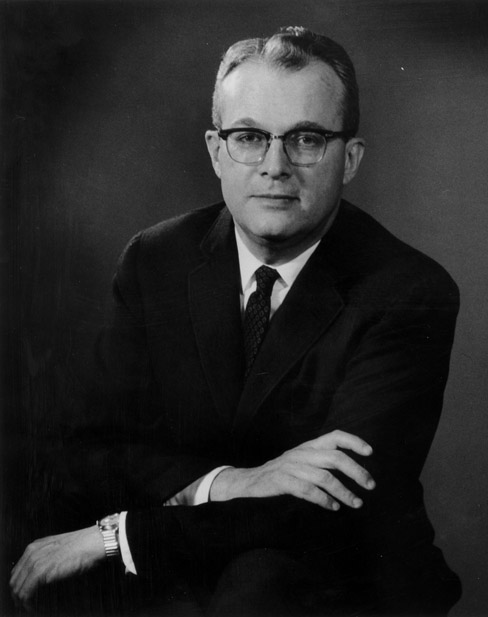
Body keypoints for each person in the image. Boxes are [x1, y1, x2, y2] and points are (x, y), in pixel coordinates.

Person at [10, 26, 461, 616]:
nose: (276, 166)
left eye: (306, 139)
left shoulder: (407, 291)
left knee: (260, 584)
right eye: (249, 137)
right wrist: (234, 482)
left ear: (350, 159)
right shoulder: (155, 259)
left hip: (333, 586)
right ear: (215, 151)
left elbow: (333, 507)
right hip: (176, 580)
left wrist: (121, 537)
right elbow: (87, 453)